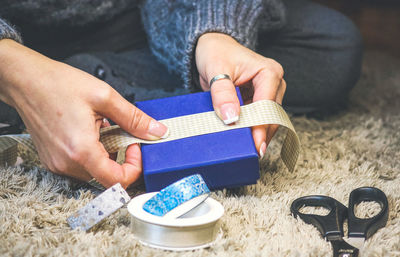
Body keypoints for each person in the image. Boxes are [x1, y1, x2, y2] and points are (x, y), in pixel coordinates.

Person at [0, 0, 362, 188]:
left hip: (143, 18)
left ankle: (90, 89)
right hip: (18, 43)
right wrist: (18, 74)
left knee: (333, 47)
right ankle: (50, 97)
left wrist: (213, 32)